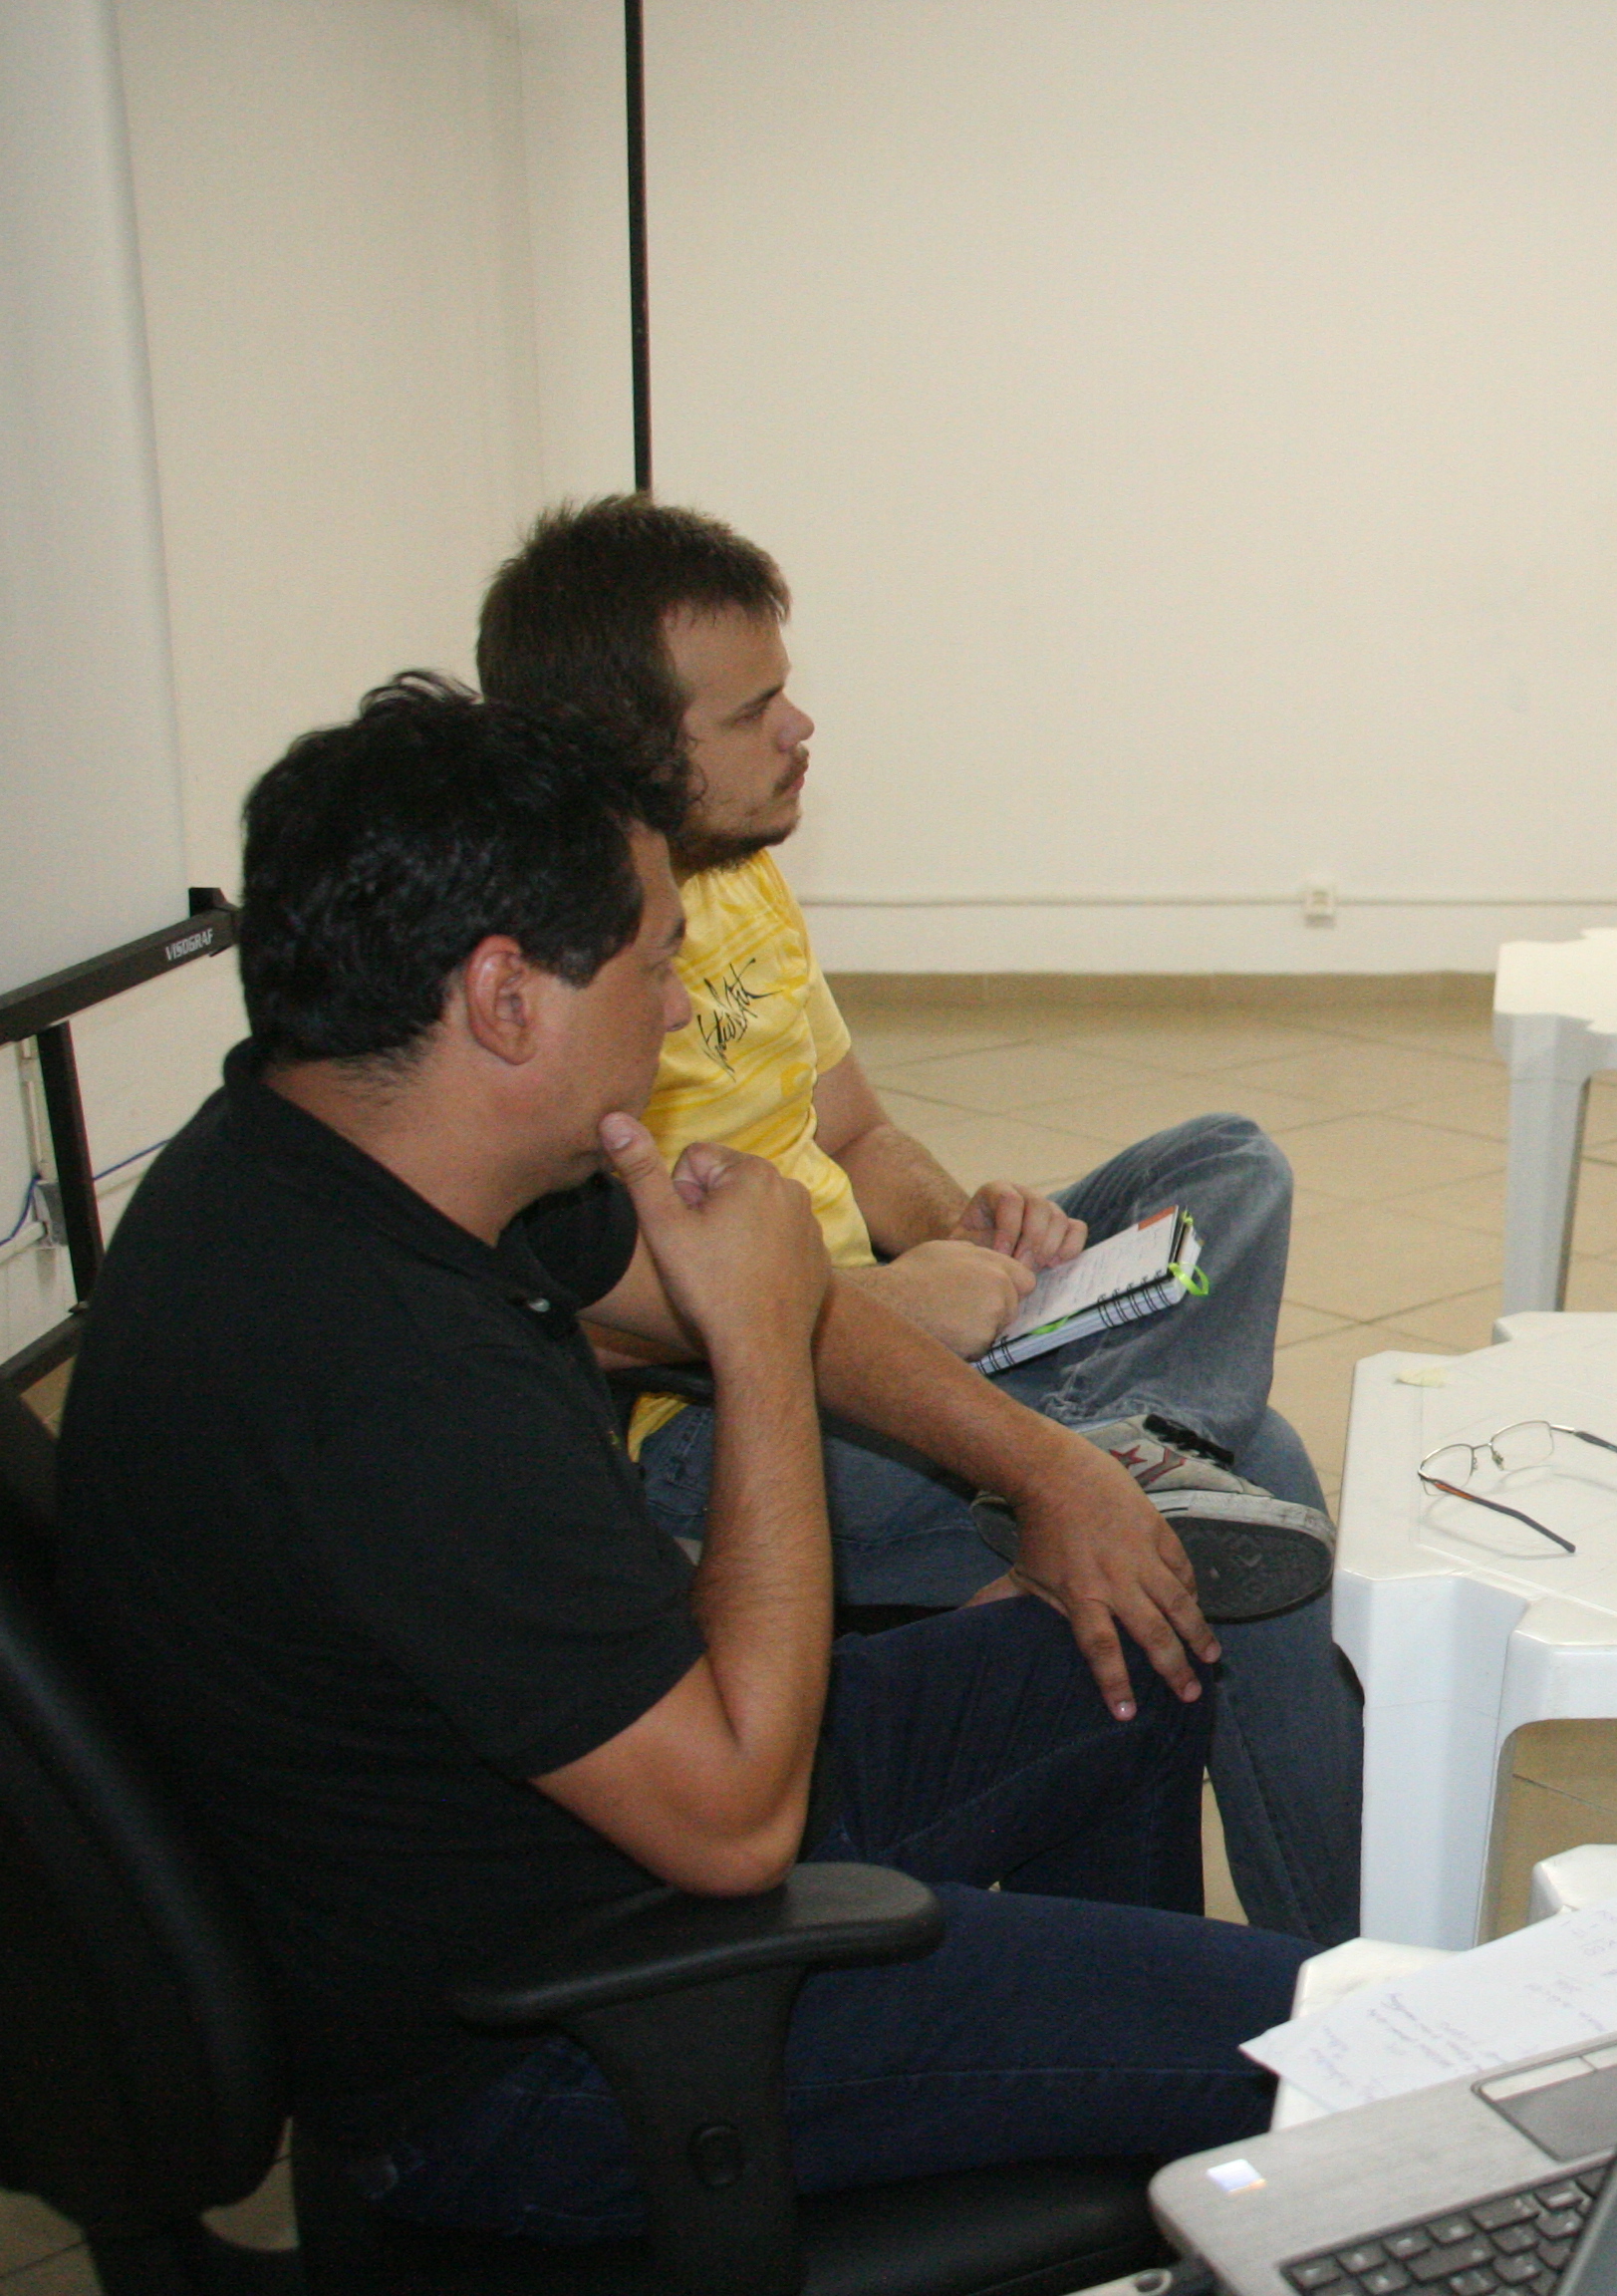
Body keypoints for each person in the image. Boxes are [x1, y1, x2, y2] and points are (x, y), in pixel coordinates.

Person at [55, 679, 1307, 2235]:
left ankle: (1114, 2133)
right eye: (654, 962)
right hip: (562, 2051)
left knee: (1140, 1644)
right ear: (507, 998)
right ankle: (1129, 2084)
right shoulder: (379, 1374)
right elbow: (733, 1824)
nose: (670, 1011)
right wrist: (761, 1350)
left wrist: (1057, 1473)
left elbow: (730, 1279)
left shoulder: (345, 1146)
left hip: (602, 1835)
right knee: (1312, 2040)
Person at [475, 495, 1356, 1944]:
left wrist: (970, 1234)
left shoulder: (748, 880)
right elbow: (645, 1322)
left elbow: (858, 1135)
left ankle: (1134, 1434)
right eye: (752, 711)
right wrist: (898, 1306)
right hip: (737, 1413)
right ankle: (1345, 1964)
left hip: (900, 1320)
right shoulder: (570, 986)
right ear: (622, 748)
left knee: (1230, 1163)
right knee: (1258, 1472)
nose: (801, 727)